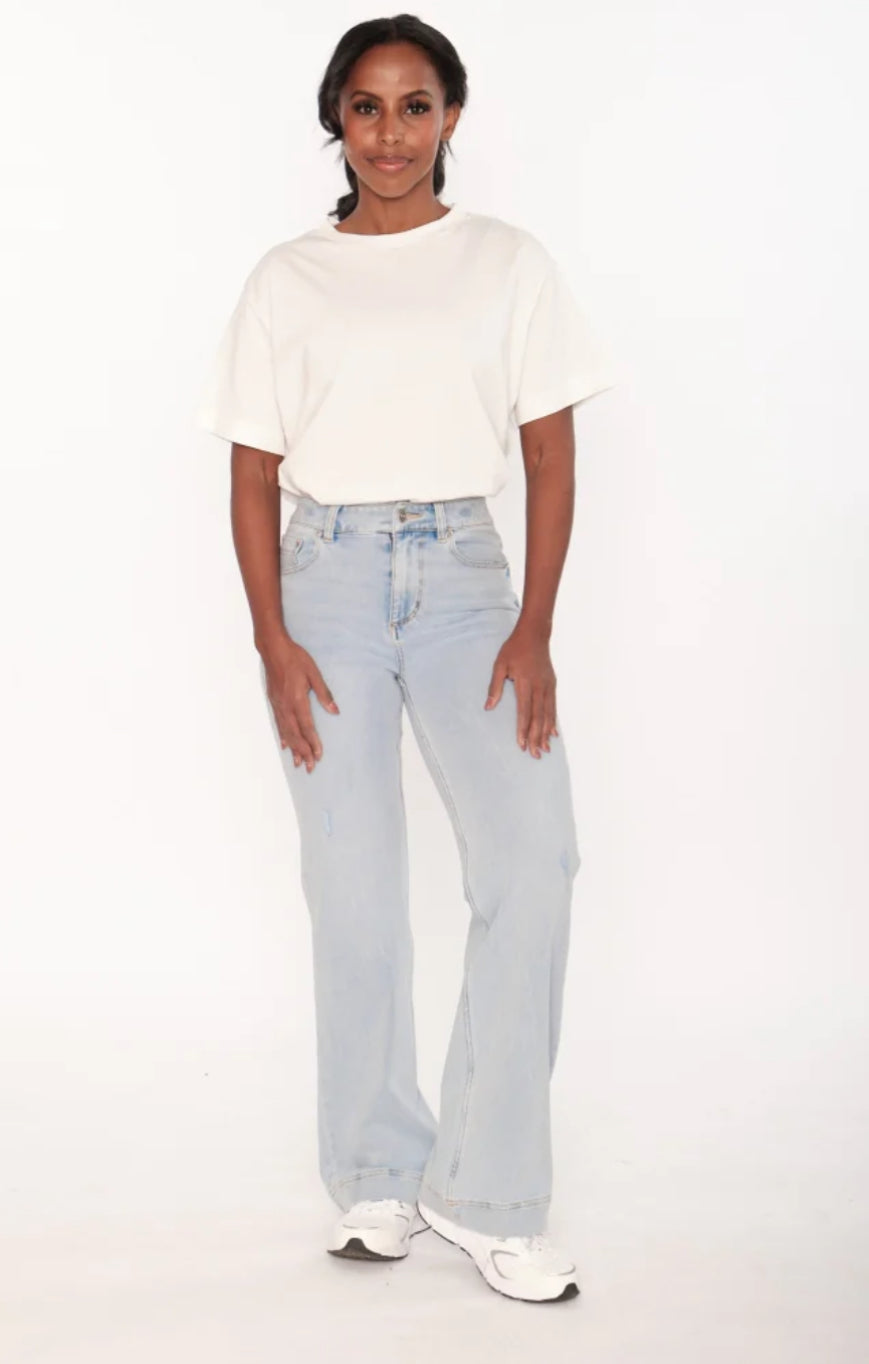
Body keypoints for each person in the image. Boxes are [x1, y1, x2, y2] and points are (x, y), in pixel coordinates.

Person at [195, 15, 616, 1305]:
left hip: (469, 584)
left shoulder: (508, 262)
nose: (391, 132)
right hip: (322, 584)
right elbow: (252, 472)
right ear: (339, 119)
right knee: (357, 885)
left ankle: (487, 1190)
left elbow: (549, 453)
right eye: (368, 107)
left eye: (415, 105)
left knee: (534, 862)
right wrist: (271, 639)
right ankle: (379, 1171)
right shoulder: (288, 277)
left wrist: (535, 626)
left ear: (451, 119)